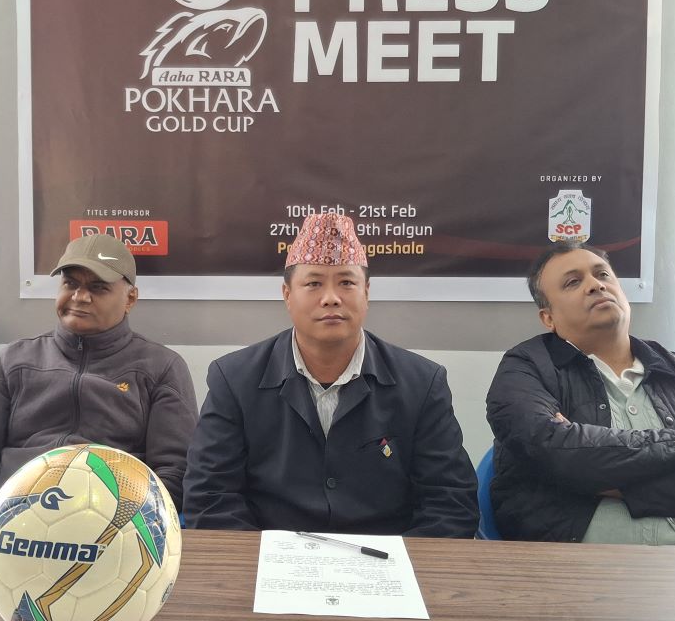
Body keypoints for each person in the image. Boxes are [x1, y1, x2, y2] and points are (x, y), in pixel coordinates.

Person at [183, 212, 479, 537]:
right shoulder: (235, 379)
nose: (331, 298)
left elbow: (449, 503)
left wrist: (401, 564)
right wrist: (262, 560)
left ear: (367, 292)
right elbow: (210, 497)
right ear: (287, 294)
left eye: (347, 283)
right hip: (270, 558)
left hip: (384, 559)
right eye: (313, 283)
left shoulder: (421, 383)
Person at [486, 241, 675, 543]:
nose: (595, 285)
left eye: (603, 275)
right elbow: (547, 448)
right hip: (581, 569)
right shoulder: (527, 367)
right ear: (548, 318)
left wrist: (609, 484)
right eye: (573, 282)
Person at [0, 234, 198, 515]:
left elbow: (175, 473)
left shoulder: (161, 367)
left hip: (113, 522)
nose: (79, 297)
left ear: (130, 298)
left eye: (98, 287)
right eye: (71, 284)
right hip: (12, 518)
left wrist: (115, 524)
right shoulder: (14, 361)